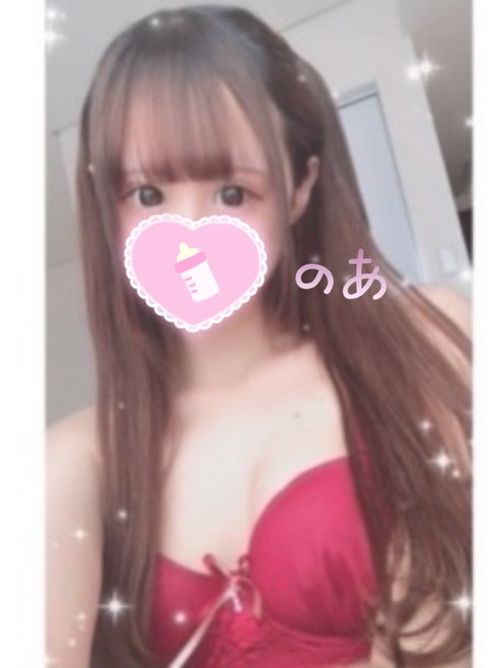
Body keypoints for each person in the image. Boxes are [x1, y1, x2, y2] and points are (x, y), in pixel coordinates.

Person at [46, 6, 472, 667]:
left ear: (300, 188)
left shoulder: (423, 344)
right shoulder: (80, 460)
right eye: (149, 195)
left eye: (232, 193)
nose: (189, 238)